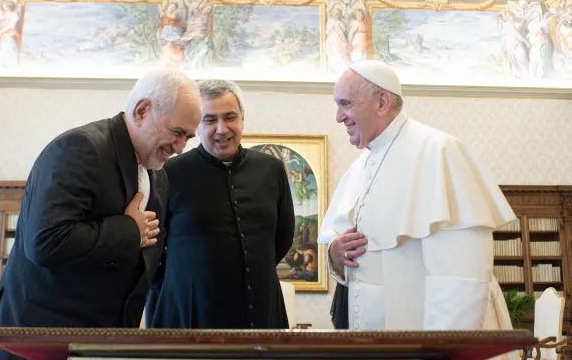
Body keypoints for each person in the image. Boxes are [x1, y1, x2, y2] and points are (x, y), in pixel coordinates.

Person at [0, 68, 202, 360]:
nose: (180, 147)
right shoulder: (80, 147)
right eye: (177, 132)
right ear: (142, 111)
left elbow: (143, 258)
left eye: (188, 137)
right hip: (39, 346)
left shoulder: (156, 173)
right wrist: (127, 232)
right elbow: (44, 241)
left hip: (100, 347)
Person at [318, 60, 517, 336]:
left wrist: (443, 356)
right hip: (375, 347)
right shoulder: (360, 166)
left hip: (424, 348)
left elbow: (460, 278)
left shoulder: (439, 151)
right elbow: (352, 264)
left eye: (346, 103)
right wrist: (336, 255)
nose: (339, 117)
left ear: (382, 102)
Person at [146, 79, 295, 329]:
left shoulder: (271, 169)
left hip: (258, 308)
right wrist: (182, 282)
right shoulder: (168, 172)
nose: (222, 129)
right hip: (190, 312)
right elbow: (151, 248)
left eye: (230, 117)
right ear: (196, 125)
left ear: (242, 120)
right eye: (210, 119)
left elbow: (283, 237)